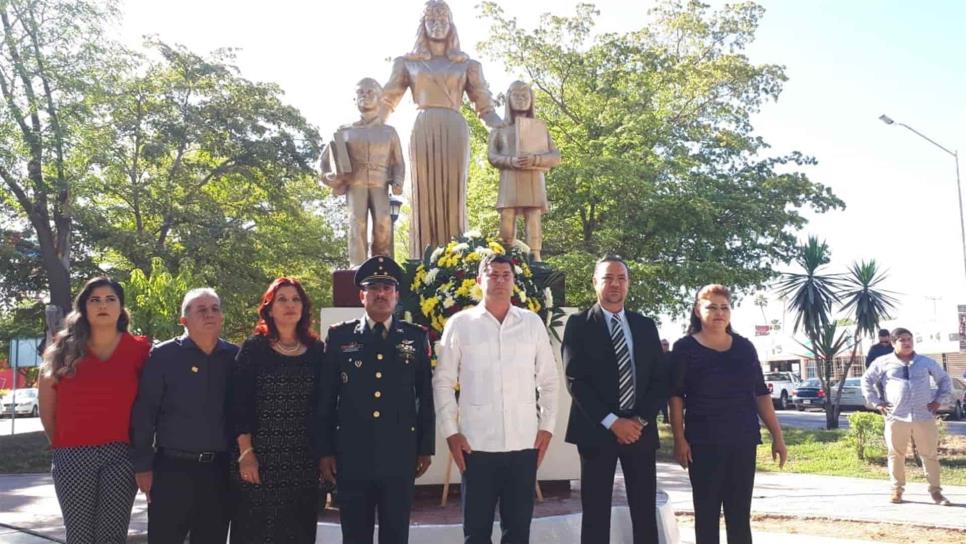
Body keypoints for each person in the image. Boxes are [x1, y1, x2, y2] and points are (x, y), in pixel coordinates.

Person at [434, 253, 559, 544]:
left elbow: (549, 381)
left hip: (523, 445)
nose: (500, 280)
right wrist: (451, 433)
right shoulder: (460, 324)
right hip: (476, 448)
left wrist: (547, 427)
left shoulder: (531, 323)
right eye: (493, 274)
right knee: (476, 533)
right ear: (479, 280)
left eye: (506, 275)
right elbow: (442, 382)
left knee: (517, 533)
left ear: (514, 282)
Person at [317, 256, 435, 544]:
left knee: (396, 533)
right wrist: (325, 451)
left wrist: (425, 447)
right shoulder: (339, 338)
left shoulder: (415, 337)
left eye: (387, 288)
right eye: (373, 288)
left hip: (399, 455)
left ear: (396, 296)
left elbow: (425, 397)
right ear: (362, 295)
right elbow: (326, 399)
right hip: (352, 454)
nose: (380, 294)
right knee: (355, 534)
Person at [382, 0, 502, 258]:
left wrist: (507, 129)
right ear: (423, 26)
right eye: (431, 21)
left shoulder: (468, 65)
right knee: (424, 194)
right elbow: (386, 102)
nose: (437, 26)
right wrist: (363, 129)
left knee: (453, 194)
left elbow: (486, 109)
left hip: (454, 128)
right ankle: (423, 259)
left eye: (442, 21)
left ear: (451, 25)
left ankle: (457, 258)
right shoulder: (406, 63)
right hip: (423, 128)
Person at [669, 284, 787, 544]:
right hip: (703, 442)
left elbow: (760, 393)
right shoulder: (684, 349)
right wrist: (680, 439)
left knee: (739, 516)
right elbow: (676, 397)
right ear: (698, 311)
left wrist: (777, 435)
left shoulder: (745, 348)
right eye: (711, 306)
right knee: (707, 514)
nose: (719, 312)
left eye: (724, 307)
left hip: (743, 440)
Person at [562, 256, 668, 544]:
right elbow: (576, 380)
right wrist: (613, 422)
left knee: (645, 512)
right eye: (608, 278)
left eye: (621, 278)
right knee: (596, 514)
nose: (615, 284)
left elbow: (660, 380)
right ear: (595, 282)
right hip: (596, 431)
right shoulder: (578, 324)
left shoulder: (645, 325)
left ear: (628, 284)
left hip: (640, 431)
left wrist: (637, 421)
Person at [38, 277, 151, 544]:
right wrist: (65, 445)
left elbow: (151, 404)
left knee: (112, 536)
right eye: (95, 300)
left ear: (121, 308)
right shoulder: (63, 349)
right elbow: (47, 408)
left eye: (110, 299)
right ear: (84, 307)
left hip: (122, 456)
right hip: (73, 456)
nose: (103, 305)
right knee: (79, 536)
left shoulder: (140, 350)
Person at [131, 288, 238, 544]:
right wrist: (143, 466)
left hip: (219, 471)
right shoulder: (163, 356)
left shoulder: (235, 357)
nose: (209, 314)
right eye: (201, 310)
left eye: (214, 309)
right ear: (184, 320)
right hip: (171, 470)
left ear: (222, 317)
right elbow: (145, 413)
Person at [229, 278, 324, 542]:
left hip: (302, 464)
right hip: (259, 462)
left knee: (298, 533)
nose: (290, 305)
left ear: (304, 308)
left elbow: (324, 407)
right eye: (282, 299)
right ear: (269, 309)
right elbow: (239, 404)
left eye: (296, 299)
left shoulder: (317, 351)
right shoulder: (254, 349)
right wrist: (246, 453)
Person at [861, 327, 952, 506]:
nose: (907, 342)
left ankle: (936, 492)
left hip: (923, 415)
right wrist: (877, 402)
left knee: (930, 455)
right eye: (902, 339)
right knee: (896, 454)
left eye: (909, 339)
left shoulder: (925, 362)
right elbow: (866, 380)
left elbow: (944, 380)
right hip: (896, 416)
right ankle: (897, 490)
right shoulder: (883, 361)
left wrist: (938, 401)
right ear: (893, 343)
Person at [321, 78, 405, 267]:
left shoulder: (389, 132)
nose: (364, 97)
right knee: (356, 223)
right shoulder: (344, 132)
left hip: (380, 185)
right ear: (354, 98)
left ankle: (381, 265)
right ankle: (357, 266)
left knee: (383, 224)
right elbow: (325, 164)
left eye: (370, 92)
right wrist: (330, 178)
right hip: (355, 185)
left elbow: (399, 162)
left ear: (380, 97)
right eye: (360, 93)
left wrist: (398, 181)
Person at [487, 80, 560, 261]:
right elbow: (492, 156)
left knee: (533, 215)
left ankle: (535, 256)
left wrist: (536, 159)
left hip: (534, 176)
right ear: (508, 100)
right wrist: (511, 161)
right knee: (507, 214)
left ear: (531, 100)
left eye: (524, 96)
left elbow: (555, 156)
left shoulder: (539, 128)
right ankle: (504, 254)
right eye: (516, 96)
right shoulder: (500, 129)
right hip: (510, 176)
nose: (520, 100)